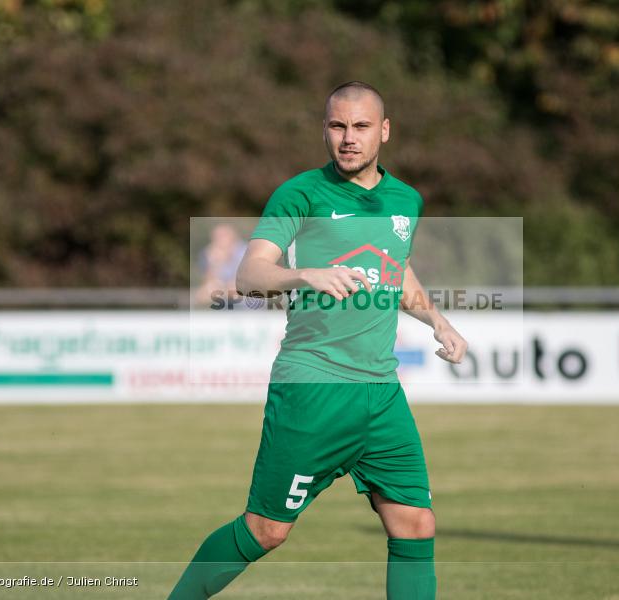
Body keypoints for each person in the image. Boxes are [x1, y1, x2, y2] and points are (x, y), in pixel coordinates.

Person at [168, 81, 468, 598]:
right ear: (324, 130)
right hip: (313, 387)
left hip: (380, 392)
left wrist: (436, 320)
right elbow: (249, 273)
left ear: (385, 131)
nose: (348, 138)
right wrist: (302, 275)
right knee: (267, 531)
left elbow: (396, 269)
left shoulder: (405, 200)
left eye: (361, 126)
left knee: (415, 524)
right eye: (337, 126)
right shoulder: (301, 194)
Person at [194, 224, 247, 306]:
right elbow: (208, 282)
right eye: (216, 237)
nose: (219, 240)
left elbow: (244, 282)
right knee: (201, 295)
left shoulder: (245, 251)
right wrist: (215, 263)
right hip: (225, 294)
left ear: (233, 237)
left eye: (223, 236)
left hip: (246, 294)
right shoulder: (209, 253)